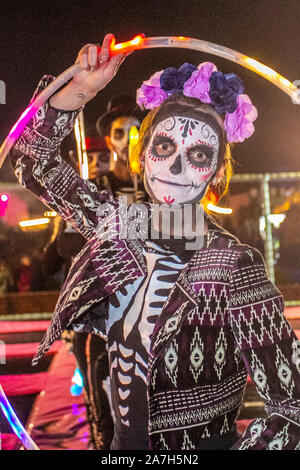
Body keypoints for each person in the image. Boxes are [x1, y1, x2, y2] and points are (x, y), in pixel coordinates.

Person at [9, 34, 300, 450]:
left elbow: (293, 406)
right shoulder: (117, 225)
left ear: (217, 172)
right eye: (164, 146)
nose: (177, 166)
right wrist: (78, 90)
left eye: (199, 155)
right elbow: (32, 161)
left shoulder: (234, 267)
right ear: (142, 156)